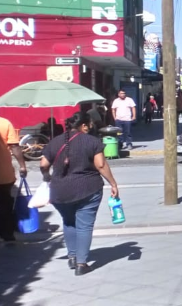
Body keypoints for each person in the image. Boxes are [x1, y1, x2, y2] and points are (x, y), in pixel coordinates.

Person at [39, 112, 120, 275]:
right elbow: (101, 165)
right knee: (84, 225)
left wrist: (47, 177)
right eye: (89, 124)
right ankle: (81, 264)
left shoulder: (55, 142)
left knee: (69, 222)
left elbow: (43, 164)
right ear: (83, 126)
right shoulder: (92, 141)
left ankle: (72, 257)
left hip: (59, 191)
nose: (91, 127)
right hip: (88, 189)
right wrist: (113, 183)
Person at [0, 114, 28, 245]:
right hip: (3, 174)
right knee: (5, 204)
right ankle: (7, 234)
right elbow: (15, 146)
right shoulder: (4, 123)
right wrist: (22, 165)